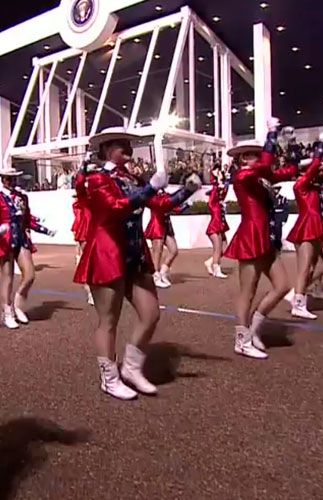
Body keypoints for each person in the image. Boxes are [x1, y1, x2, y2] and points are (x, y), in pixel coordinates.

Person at [74, 127, 199, 400]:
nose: (128, 150)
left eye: (129, 145)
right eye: (121, 145)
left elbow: (161, 204)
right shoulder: (97, 178)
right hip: (107, 253)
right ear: (107, 149)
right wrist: (150, 188)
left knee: (151, 313)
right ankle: (109, 377)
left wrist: (186, 192)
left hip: (133, 252)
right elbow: (114, 207)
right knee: (109, 320)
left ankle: (131, 368)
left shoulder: (131, 177)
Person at [224, 118, 297, 360]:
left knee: (282, 286)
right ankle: (241, 340)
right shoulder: (242, 176)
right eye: (253, 155)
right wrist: (271, 135)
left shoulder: (260, 176)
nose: (259, 157)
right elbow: (267, 166)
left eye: (259, 154)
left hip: (264, 235)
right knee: (248, 290)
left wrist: (291, 143)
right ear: (243, 158)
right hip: (251, 234)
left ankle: (253, 330)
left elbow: (290, 171)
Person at [0, 166, 56, 329]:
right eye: (7, 178)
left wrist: (44, 230)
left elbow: (27, 220)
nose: (11, 181)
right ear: (2, 179)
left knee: (30, 275)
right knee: (8, 277)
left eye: (13, 178)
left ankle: (17, 305)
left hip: (21, 238)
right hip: (5, 239)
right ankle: (7, 311)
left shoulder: (22, 197)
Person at [284, 136, 323, 319]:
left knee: (320, 267)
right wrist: (321, 147)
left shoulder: (313, 185)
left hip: (314, 224)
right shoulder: (300, 184)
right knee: (305, 268)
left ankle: (296, 293)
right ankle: (299, 303)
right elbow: (316, 166)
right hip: (307, 225)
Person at [145, 187, 192, 288]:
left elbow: (174, 208)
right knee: (157, 252)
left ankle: (163, 272)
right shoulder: (152, 195)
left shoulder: (165, 194)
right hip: (156, 225)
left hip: (166, 225)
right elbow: (161, 206)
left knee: (174, 250)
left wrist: (185, 205)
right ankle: (155, 277)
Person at [203, 164, 230, 278]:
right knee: (218, 248)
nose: (219, 172)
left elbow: (224, 191)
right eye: (216, 171)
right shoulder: (214, 193)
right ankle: (216, 268)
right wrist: (216, 182)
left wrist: (227, 180)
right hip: (215, 225)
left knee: (224, 247)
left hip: (221, 224)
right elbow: (213, 199)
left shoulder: (220, 195)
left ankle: (210, 262)